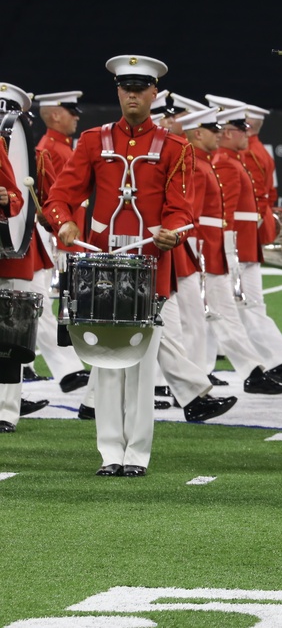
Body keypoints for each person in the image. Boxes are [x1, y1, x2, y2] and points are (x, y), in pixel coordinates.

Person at [43, 55, 200, 476]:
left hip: (148, 265)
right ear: (118, 92)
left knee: (142, 363)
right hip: (101, 266)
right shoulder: (94, 141)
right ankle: (111, 453)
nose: (132, 95)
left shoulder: (175, 147)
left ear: (154, 94)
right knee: (108, 362)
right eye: (125, 88)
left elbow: (183, 210)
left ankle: (137, 454)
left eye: (140, 88)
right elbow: (59, 196)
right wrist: (65, 223)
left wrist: (173, 232)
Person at [206, 94, 282, 388]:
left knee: (236, 309)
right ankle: (270, 365)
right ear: (228, 132)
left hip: (242, 246)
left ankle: (266, 365)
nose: (248, 133)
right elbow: (225, 215)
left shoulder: (230, 161)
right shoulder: (226, 163)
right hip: (237, 248)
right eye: (241, 128)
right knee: (240, 309)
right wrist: (230, 254)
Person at [29, 91, 91, 393]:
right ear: (55, 115)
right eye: (70, 111)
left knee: (42, 306)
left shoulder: (56, 149)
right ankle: (65, 370)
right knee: (39, 304)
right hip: (51, 235)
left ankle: (68, 370)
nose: (76, 116)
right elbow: (51, 200)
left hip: (58, 235)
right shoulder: (49, 149)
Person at [0, 82, 44, 432]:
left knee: (9, 334)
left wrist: (6, 200)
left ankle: (5, 411)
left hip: (7, 251)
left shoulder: (6, 143)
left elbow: (16, 197)